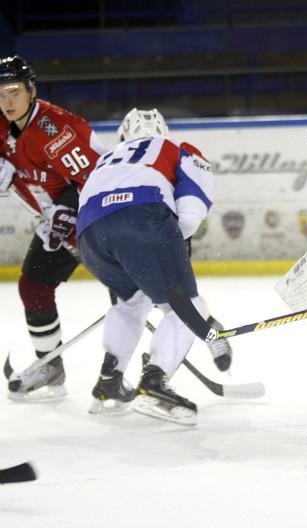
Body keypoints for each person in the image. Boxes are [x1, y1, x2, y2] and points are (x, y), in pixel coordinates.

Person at [76, 108, 215, 425]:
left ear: (123, 135)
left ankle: (110, 383)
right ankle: (155, 383)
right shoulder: (176, 147)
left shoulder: (106, 158)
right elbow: (191, 210)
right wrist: (170, 244)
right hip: (141, 216)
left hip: (89, 233)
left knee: (130, 303)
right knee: (189, 307)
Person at [0, 54, 106, 401]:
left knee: (134, 296)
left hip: (97, 220)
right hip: (55, 227)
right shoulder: (2, 124)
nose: (7, 101)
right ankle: (50, 366)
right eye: (0, 94)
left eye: (14, 92)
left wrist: (67, 209)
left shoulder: (56, 130)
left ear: (32, 91)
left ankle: (189, 337)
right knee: (34, 285)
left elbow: (96, 178)